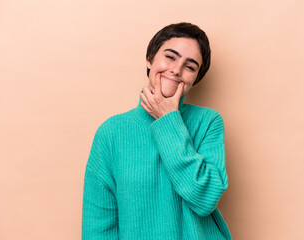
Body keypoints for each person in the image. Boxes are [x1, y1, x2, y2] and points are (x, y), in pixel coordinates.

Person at [82, 22, 232, 240]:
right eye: (170, 57)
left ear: (195, 79)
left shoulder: (208, 122)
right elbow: (98, 225)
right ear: (150, 58)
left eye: (190, 66)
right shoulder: (111, 132)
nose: (176, 70)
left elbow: (205, 198)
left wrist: (168, 120)